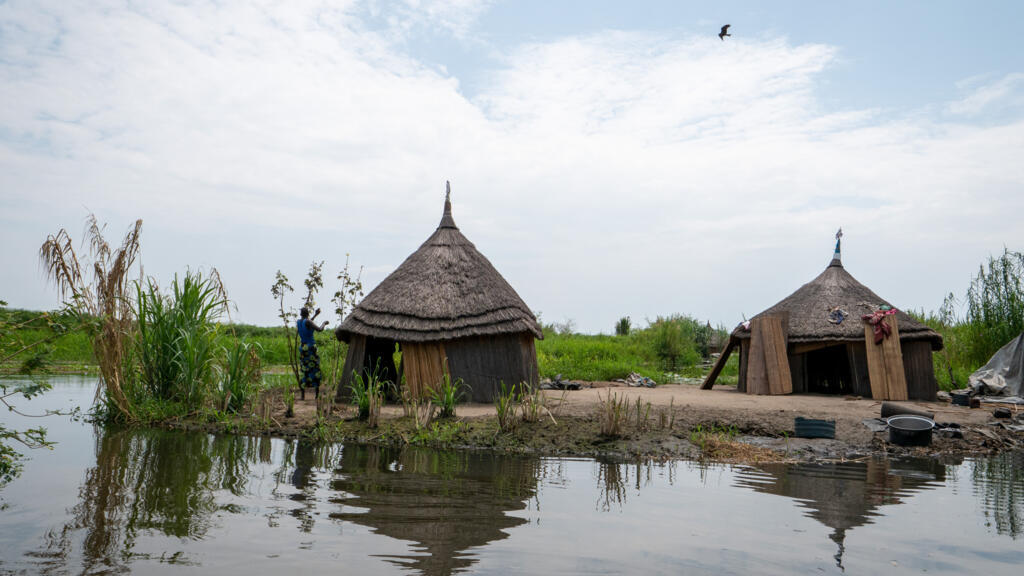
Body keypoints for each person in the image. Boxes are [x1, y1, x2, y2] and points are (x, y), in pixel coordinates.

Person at [297, 307, 328, 399]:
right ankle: (316, 395)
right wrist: (324, 323)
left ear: (300, 314)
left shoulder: (299, 322)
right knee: (314, 369)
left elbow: (308, 323)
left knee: (304, 370)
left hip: (303, 348)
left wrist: (315, 315)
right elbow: (319, 329)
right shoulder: (308, 322)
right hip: (311, 348)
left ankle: (303, 395)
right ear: (308, 314)